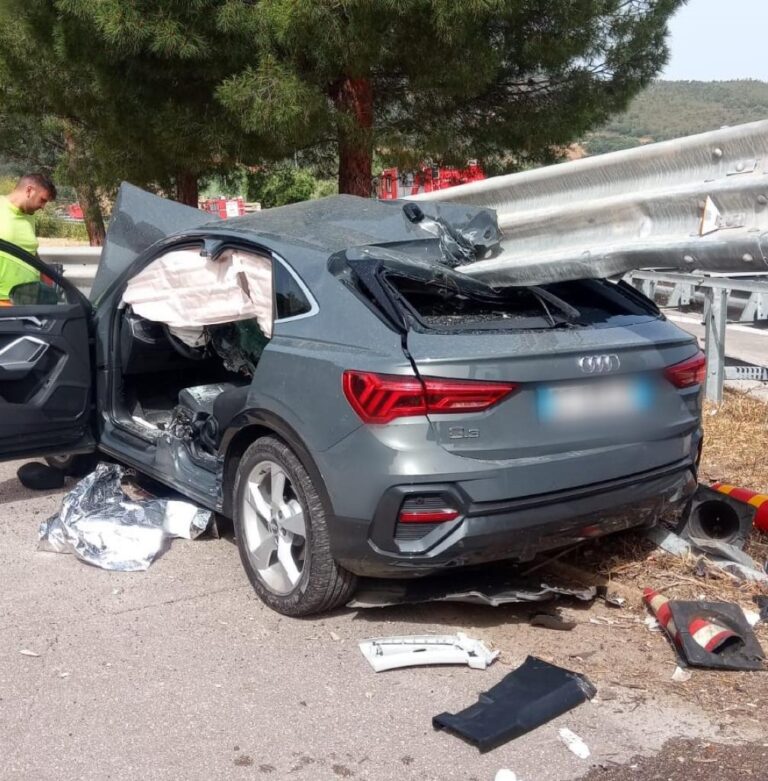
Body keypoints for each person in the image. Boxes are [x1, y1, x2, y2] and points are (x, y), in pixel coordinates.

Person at [0, 173, 57, 305]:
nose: (43, 207)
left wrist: (45, 277)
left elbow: (29, 251)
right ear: (29, 190)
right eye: (42, 200)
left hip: (28, 300)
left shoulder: (29, 215)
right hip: (3, 301)